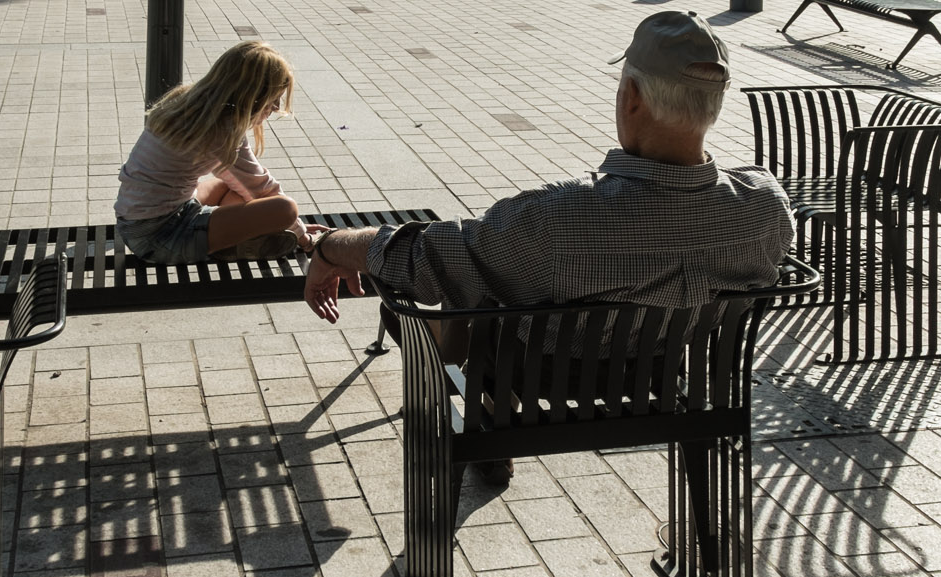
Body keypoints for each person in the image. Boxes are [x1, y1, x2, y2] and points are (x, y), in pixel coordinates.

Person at [301, 10, 795, 484]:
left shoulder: (557, 217)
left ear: (632, 98)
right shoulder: (764, 207)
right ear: (714, 105)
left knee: (482, 282)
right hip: (665, 384)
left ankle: (482, 401)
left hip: (545, 381)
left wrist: (333, 248)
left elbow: (426, 258)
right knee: (496, 277)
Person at [116, 41, 325, 263]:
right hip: (160, 238)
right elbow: (262, 189)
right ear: (251, 95)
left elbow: (246, 187)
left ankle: (225, 238)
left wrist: (291, 226)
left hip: (136, 223)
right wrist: (304, 238)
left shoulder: (191, 103)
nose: (275, 107)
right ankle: (226, 245)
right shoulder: (222, 129)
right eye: (273, 99)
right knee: (286, 209)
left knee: (231, 187)